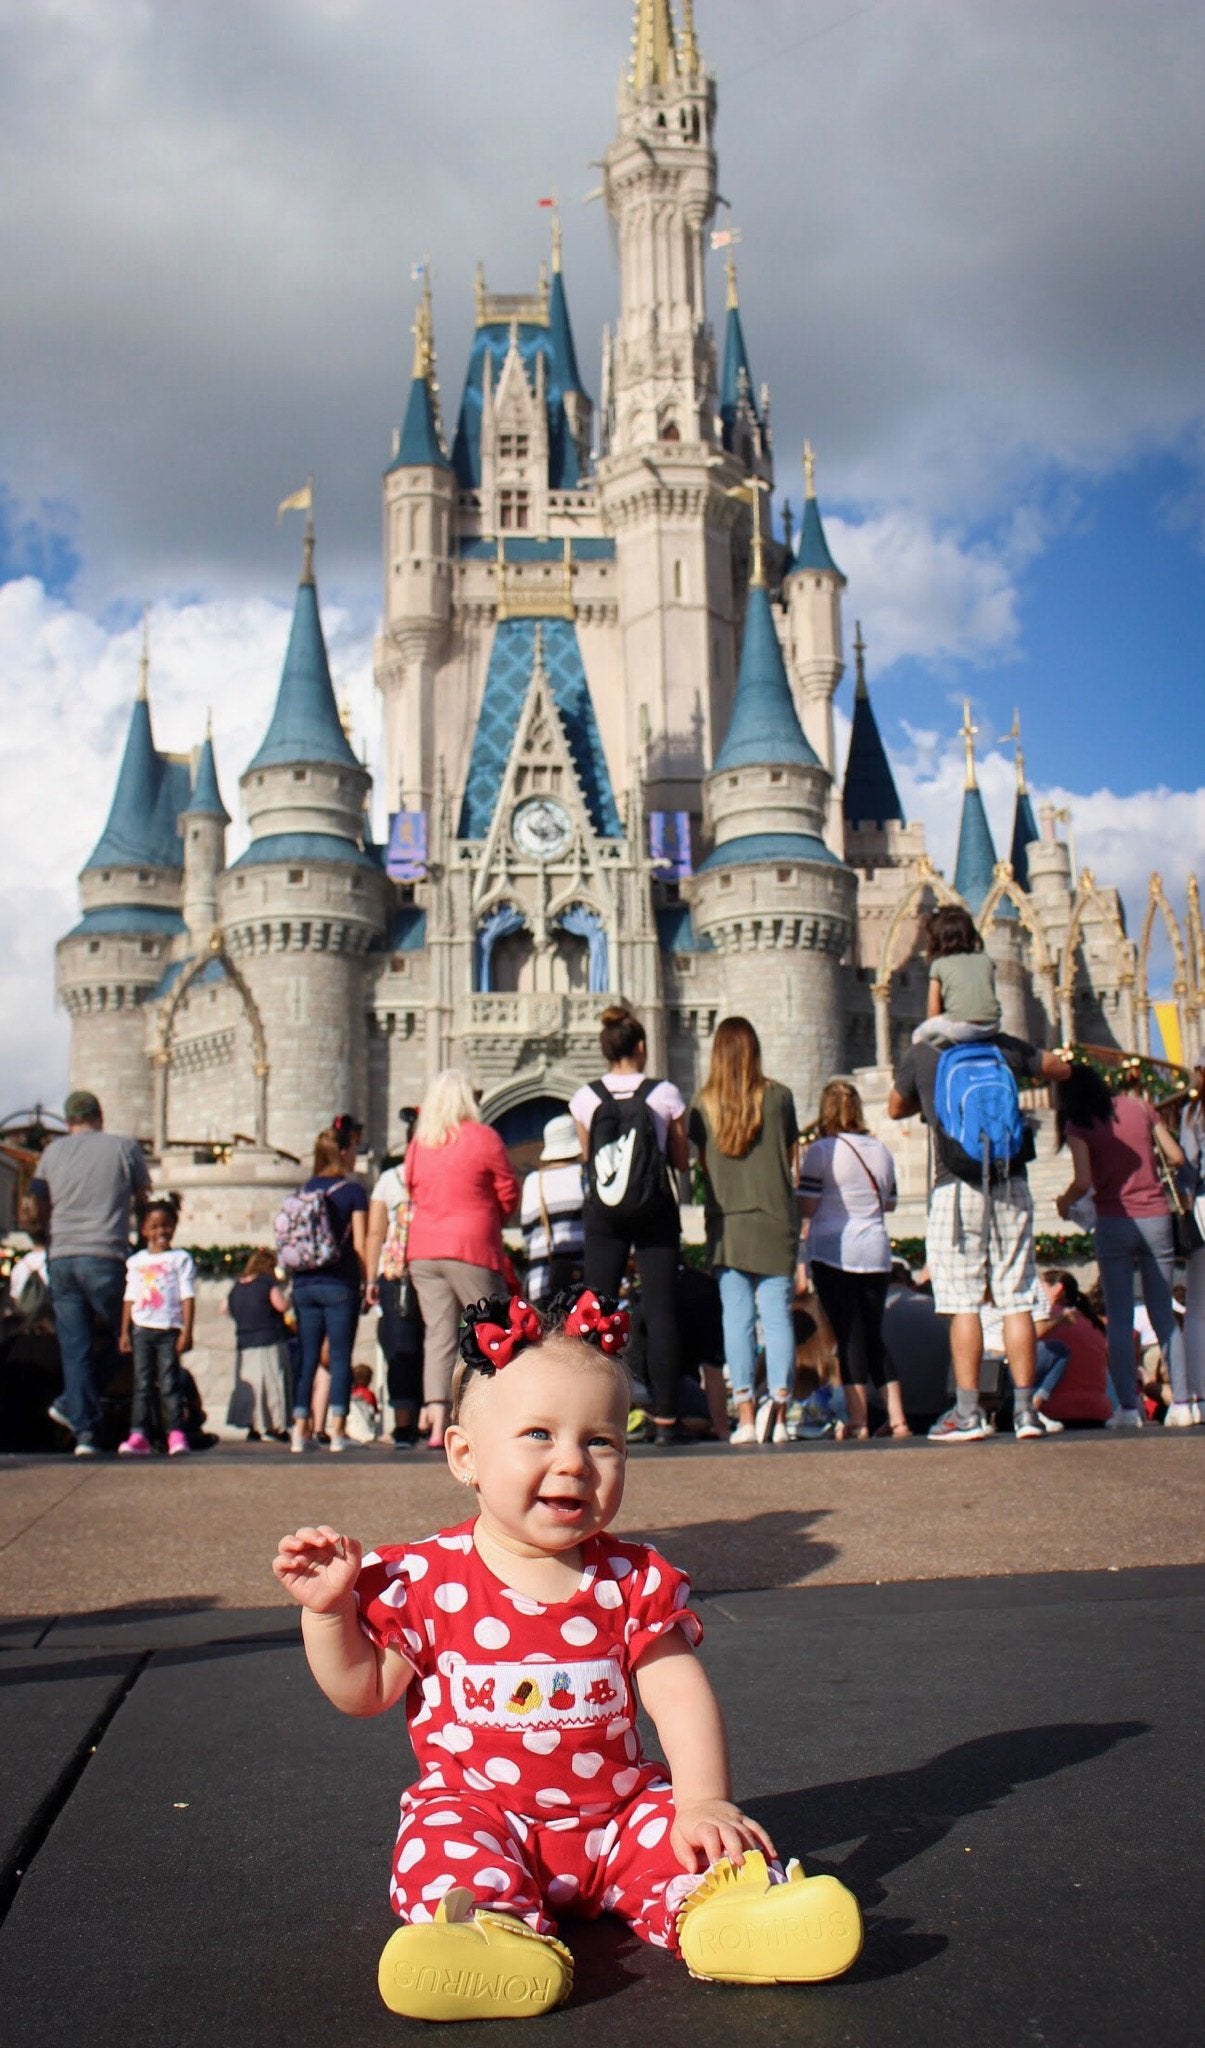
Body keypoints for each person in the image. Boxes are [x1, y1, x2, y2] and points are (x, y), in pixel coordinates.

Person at [272, 1290, 863, 2023]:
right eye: (538, 1435)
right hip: (482, 1811)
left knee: (691, 1843)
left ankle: (730, 1917)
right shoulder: (424, 1579)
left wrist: (701, 1799)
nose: (573, 1463)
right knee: (442, 1843)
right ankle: (486, 1936)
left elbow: (677, 1695)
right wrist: (328, 1612)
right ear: (465, 1456)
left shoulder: (632, 1579)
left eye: (600, 1441)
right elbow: (362, 1691)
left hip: (615, 1813)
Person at [888, 1025, 1070, 1442]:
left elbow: (895, 1107)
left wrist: (928, 1097)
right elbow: (1059, 1069)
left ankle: (968, 1413)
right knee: (1017, 1297)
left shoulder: (924, 1052)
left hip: (956, 1185)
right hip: (1011, 1180)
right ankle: (1026, 1412)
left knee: (964, 1302)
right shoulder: (1001, 1045)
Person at [571, 1006, 689, 1446]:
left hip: (604, 1212)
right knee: (660, 1311)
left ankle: (589, 1414)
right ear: (641, 1047)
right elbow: (680, 1159)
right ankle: (666, 1420)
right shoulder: (665, 1094)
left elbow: (589, 1161)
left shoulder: (586, 1098)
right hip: (655, 1207)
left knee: (596, 1310)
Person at [1055, 1062, 1189, 1427]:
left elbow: (1083, 1180)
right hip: (1157, 1215)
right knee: (1164, 1314)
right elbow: (1176, 1157)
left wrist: (1065, 1202)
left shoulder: (1079, 1122)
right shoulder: (1140, 1107)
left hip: (1114, 1219)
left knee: (1119, 1318)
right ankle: (1183, 1402)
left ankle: (1129, 1409)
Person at [688, 1017, 799, 1446]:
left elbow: (699, 1163)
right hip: (774, 1219)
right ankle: (782, 1413)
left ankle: (748, 1417)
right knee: (777, 1318)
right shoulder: (780, 1097)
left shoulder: (702, 1104)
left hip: (727, 1223)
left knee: (736, 1320)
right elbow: (791, 1156)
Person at [30, 1089, 151, 1455]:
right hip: (105, 1253)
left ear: (68, 1122)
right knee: (134, 1334)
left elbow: (36, 1200)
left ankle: (84, 1432)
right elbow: (144, 1196)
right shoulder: (123, 1147)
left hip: (62, 1256)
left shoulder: (52, 1152)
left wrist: (49, 1233)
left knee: (75, 1347)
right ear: (100, 1115)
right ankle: (74, 1405)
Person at [404, 1068, 519, 1453]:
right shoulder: (483, 1137)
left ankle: (437, 1422)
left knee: (438, 1335)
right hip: (472, 1245)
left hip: (423, 1249)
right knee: (493, 1328)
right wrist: (493, 1217)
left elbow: (412, 1188)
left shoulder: (421, 1142)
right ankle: (502, 1411)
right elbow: (507, 1190)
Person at [799, 1079, 909, 1441]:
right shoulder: (880, 1150)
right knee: (873, 1334)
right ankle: (898, 1419)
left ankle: (859, 1419)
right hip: (876, 1249)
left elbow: (808, 1206)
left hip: (834, 1250)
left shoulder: (821, 1152)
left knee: (849, 1337)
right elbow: (889, 1203)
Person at [289, 1125, 368, 1455]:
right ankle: (337, 1430)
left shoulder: (303, 1189)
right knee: (338, 1358)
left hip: (303, 1282)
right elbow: (361, 1243)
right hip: (340, 1283)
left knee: (308, 1357)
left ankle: (298, 1430)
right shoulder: (352, 1192)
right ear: (343, 1152)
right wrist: (367, 1282)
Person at [117, 1197, 196, 1457]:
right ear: (144, 1231)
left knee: (170, 1382)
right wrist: (124, 1331)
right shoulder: (136, 1261)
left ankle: (175, 1432)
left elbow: (187, 1295)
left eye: (166, 1226)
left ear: (173, 1227)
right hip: (142, 1327)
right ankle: (139, 1433)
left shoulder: (180, 1258)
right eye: (154, 1227)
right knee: (142, 1383)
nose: (160, 1232)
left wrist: (187, 1330)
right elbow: (130, 1296)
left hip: (168, 1329)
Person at [364, 1142, 424, 1448]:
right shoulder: (438, 1172)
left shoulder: (390, 1179)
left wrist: (370, 1278)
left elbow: (375, 1232)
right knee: (437, 1343)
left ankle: (403, 1424)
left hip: (395, 1271)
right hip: (434, 1265)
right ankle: (433, 1417)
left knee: (400, 1347)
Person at [911, 903, 1002, 1047]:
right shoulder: (986, 960)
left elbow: (933, 1012)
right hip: (992, 1026)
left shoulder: (939, 965)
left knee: (917, 1035)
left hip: (961, 1028)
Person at [519, 1114, 585, 1309]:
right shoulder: (586, 1175)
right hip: (584, 1275)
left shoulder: (534, 1180)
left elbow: (528, 1235)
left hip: (544, 1276)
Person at [225, 1247, 291, 1440]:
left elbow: (224, 1307)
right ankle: (276, 1425)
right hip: (268, 1338)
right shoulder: (266, 1283)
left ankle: (253, 1424)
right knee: (272, 1383)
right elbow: (281, 1305)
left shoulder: (237, 1286)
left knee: (250, 1385)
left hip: (244, 1342)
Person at [1032, 1270, 1113, 1427]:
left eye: (1038, 1288)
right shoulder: (1092, 1322)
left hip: (1055, 1411)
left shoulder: (1047, 1321)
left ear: (1057, 1290)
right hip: (1098, 1411)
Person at [1177, 1067, 1205, 1425]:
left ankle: (1200, 1392)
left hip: (1203, 1203)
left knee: (1198, 1307)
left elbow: (1188, 1164)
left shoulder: (1195, 1112)